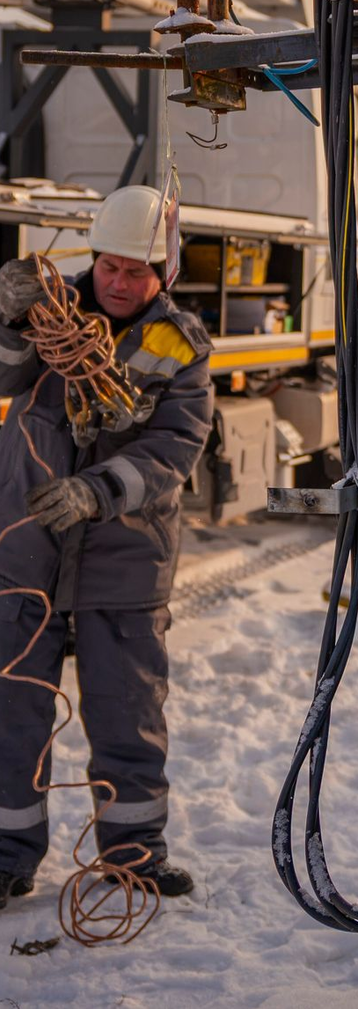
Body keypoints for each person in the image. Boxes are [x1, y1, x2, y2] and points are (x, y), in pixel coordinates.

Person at [0, 184, 214, 909]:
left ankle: (134, 855)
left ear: (164, 273)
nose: (119, 283)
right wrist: (9, 318)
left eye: (136, 271)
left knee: (128, 712)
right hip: (26, 550)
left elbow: (174, 447)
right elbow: (4, 372)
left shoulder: (178, 345)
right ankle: (5, 856)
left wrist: (97, 491)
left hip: (124, 560)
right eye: (110, 266)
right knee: (12, 711)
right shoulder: (50, 312)